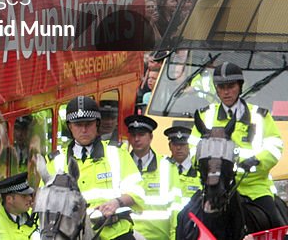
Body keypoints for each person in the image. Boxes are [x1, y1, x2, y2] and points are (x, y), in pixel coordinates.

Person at [189, 62, 287, 229]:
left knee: (278, 226)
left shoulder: (260, 116)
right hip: (214, 189)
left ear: (240, 86)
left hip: (254, 188)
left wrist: (256, 161)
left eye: (231, 86)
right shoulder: (205, 115)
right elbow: (193, 149)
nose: (226, 91)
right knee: (185, 220)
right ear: (216, 89)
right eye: (221, 87)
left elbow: (275, 146)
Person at [45, 97, 144, 240]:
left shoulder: (116, 153)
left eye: (88, 124)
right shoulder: (56, 161)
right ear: (70, 126)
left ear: (97, 124)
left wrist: (117, 202)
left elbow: (137, 191)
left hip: (116, 233)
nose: (84, 130)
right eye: (78, 125)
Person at [123, 115, 179, 240]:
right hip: (127, 236)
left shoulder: (167, 166)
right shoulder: (120, 164)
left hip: (159, 237)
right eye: (133, 135)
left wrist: (175, 236)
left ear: (151, 137)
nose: (136, 139)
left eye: (141, 134)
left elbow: (176, 207)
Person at [163, 123, 199, 199]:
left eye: (182, 144)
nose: (179, 148)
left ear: (189, 146)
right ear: (170, 146)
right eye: (175, 144)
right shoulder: (162, 169)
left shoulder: (199, 170)